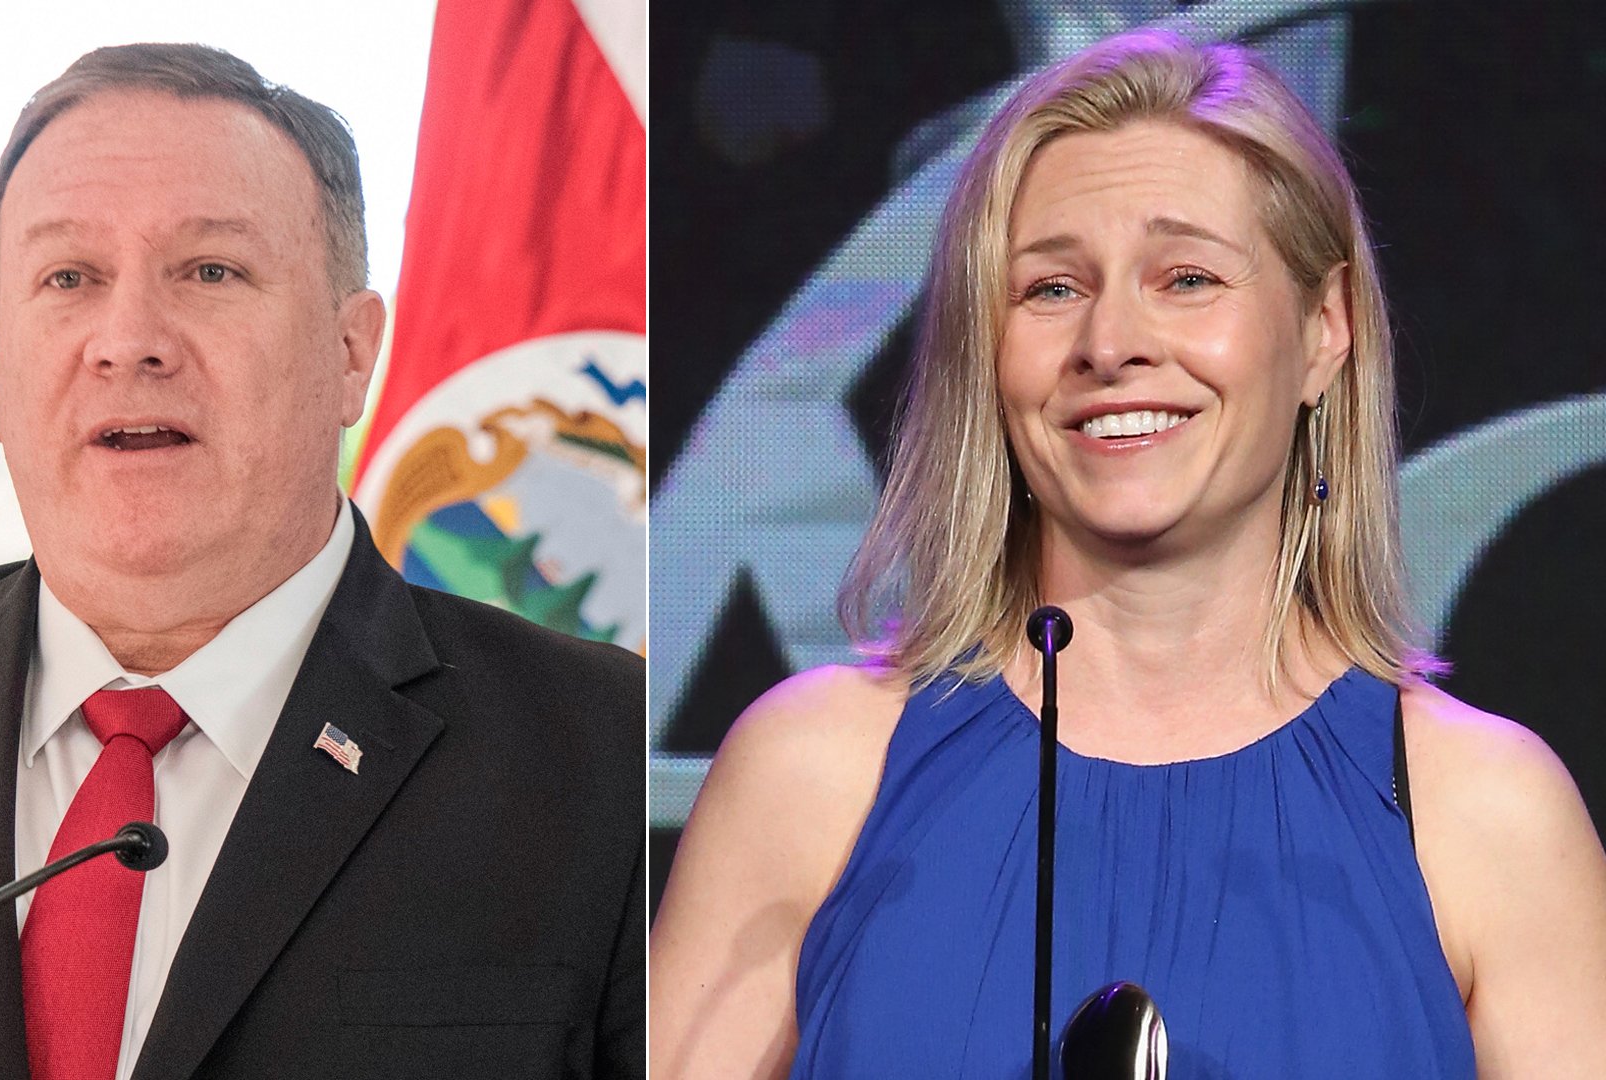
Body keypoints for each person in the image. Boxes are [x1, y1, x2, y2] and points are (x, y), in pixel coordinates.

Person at [650, 29, 1606, 1079]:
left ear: (1324, 328)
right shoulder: (811, 773)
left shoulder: (1487, 809)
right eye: (1051, 289)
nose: (1111, 343)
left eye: (1186, 277)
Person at [0, 44, 643, 1080]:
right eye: (69, 278)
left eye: (210, 271)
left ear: (352, 351)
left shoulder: (596, 762)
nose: (128, 339)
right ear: (0, 361)